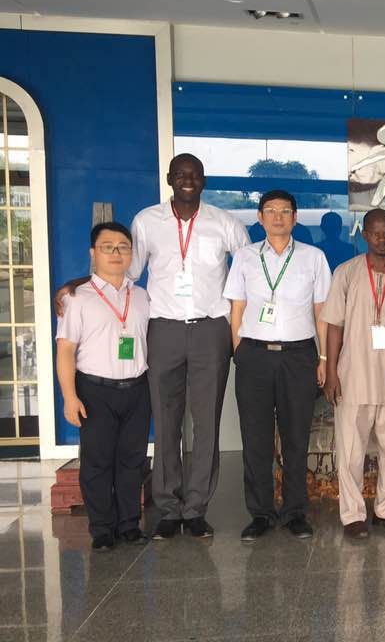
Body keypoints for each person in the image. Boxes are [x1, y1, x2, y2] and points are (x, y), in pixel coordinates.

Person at [55, 154, 250, 539]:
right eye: (180, 174)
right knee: (165, 419)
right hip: (162, 330)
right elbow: (125, 270)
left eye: (194, 174)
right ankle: (168, 509)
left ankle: (196, 509)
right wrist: (79, 283)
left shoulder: (225, 223)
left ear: (204, 180)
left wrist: (238, 331)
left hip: (211, 328)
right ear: (169, 179)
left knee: (207, 423)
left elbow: (246, 272)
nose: (187, 179)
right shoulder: (147, 221)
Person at [224, 190, 331, 542]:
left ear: (295, 218)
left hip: (298, 356)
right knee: (255, 438)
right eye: (270, 210)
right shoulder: (245, 257)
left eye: (285, 211)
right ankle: (261, 513)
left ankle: (295, 512)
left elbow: (321, 312)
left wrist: (323, 358)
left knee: (296, 437)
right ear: (259, 217)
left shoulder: (313, 258)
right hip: (254, 355)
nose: (278, 217)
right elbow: (237, 308)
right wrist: (239, 351)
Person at [55, 222, 152, 551]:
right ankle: (102, 530)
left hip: (137, 389)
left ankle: (129, 525)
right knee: (97, 462)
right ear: (93, 253)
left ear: (131, 255)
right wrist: (70, 397)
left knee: (132, 460)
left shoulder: (142, 296)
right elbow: (65, 350)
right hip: (95, 390)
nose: (116, 252)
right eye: (107, 246)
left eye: (123, 246)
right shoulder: (76, 298)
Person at [322, 209, 385, 540]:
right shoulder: (346, 272)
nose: (382, 239)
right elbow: (334, 326)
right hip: (354, 375)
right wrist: (331, 373)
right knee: (351, 450)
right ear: (364, 235)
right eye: (375, 233)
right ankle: (353, 515)